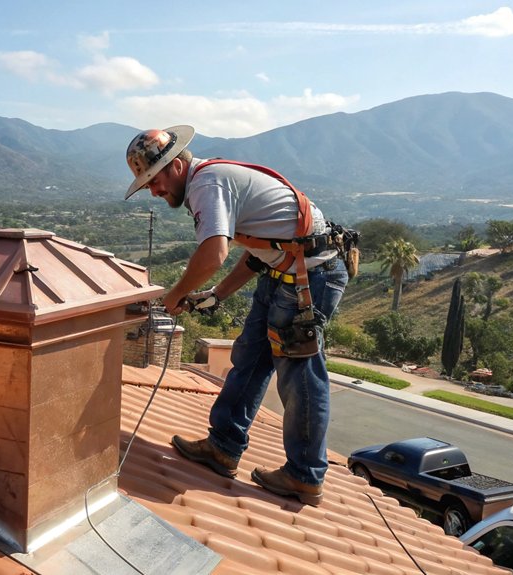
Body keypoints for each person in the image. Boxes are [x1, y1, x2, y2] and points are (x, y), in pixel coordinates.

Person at [124, 125, 349, 506]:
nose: (154, 191)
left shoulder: (206, 184)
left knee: (300, 375)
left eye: (155, 180)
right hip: (284, 270)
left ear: (177, 165)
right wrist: (218, 294)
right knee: (249, 358)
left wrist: (175, 295)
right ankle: (223, 447)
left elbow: (214, 253)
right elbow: (259, 247)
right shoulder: (210, 180)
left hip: (309, 277)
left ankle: (305, 475)